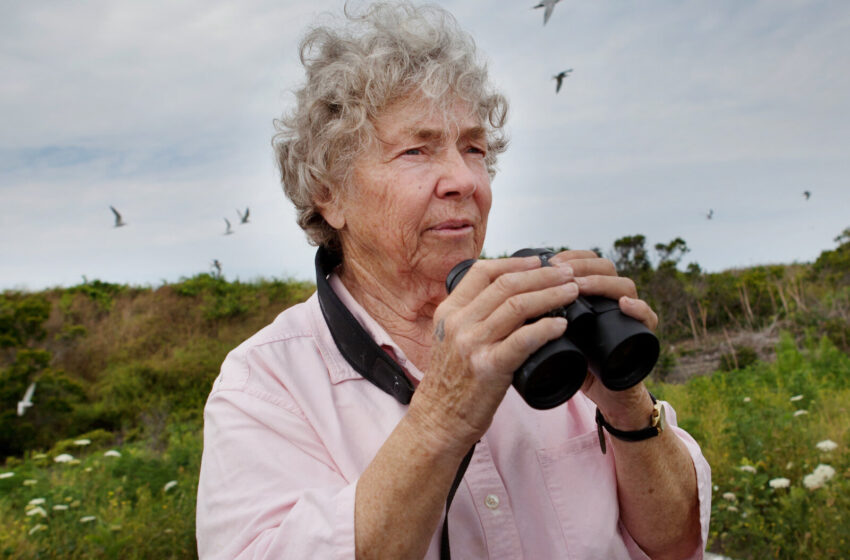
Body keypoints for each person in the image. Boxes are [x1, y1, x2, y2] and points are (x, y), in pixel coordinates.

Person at [195, 2, 711, 559]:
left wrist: (625, 403)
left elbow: (679, 544)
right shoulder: (266, 384)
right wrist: (443, 415)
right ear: (329, 193)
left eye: (473, 148)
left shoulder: (554, 325)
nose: (465, 179)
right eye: (416, 150)